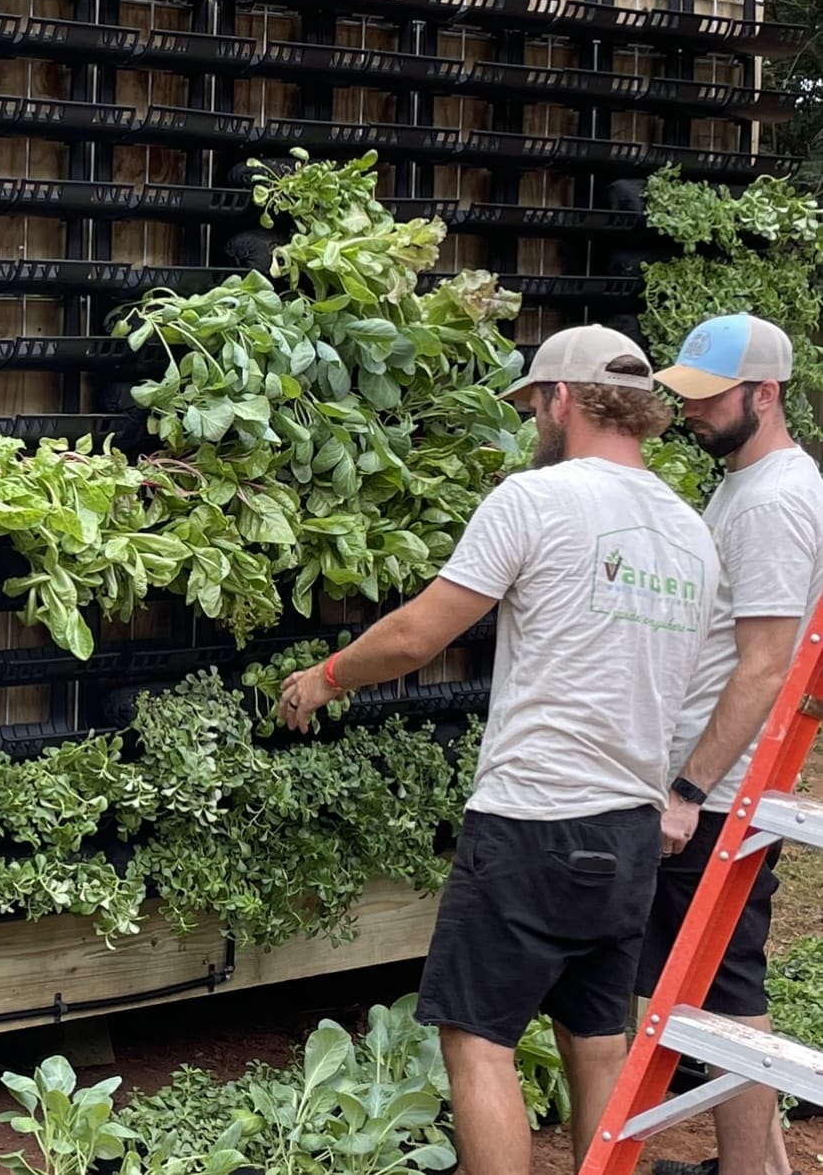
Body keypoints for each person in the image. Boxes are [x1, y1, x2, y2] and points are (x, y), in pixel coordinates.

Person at [278, 324, 720, 1175]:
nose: (532, 426)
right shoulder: (688, 532)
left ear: (562, 399)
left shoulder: (535, 499)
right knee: (597, 1044)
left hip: (532, 823)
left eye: (533, 408)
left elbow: (416, 634)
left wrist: (325, 676)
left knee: (477, 1042)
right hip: (629, 827)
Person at [636, 314, 822, 1175]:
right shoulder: (750, 484)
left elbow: (762, 665)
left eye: (711, 400)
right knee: (715, 986)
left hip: (718, 789)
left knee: (722, 991)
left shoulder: (777, 500)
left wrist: (688, 789)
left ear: (765, 394)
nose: (694, 414)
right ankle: (763, 1169)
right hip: (715, 784)